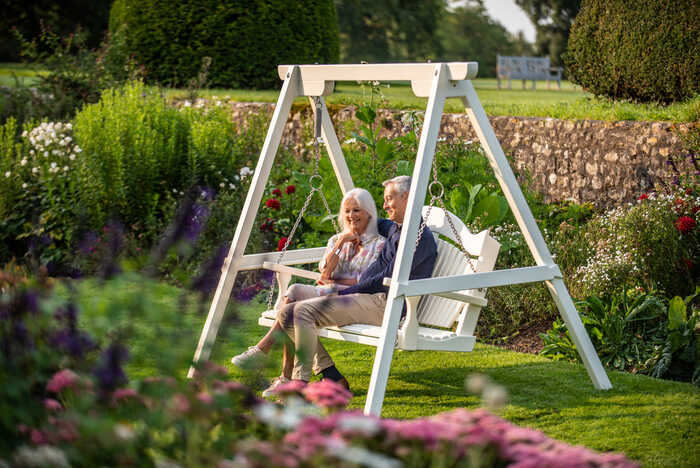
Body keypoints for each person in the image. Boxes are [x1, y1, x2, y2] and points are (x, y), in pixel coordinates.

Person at [275, 175, 438, 387]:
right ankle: (330, 374)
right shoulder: (395, 228)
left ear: (406, 198)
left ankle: (298, 384)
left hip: (387, 305)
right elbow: (369, 219)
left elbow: (383, 279)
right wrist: (354, 217)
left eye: (389, 199)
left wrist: (341, 293)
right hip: (367, 297)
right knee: (287, 312)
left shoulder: (418, 239)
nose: (384, 205)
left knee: (301, 312)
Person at [231, 188, 385, 396]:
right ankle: (274, 363)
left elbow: (363, 281)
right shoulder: (337, 240)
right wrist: (342, 242)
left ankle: (277, 365)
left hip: (354, 298)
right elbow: (325, 272)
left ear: (369, 212)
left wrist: (334, 279)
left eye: (356, 210)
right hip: (331, 292)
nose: (351, 216)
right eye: (347, 211)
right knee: (294, 290)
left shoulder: (379, 244)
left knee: (293, 313)